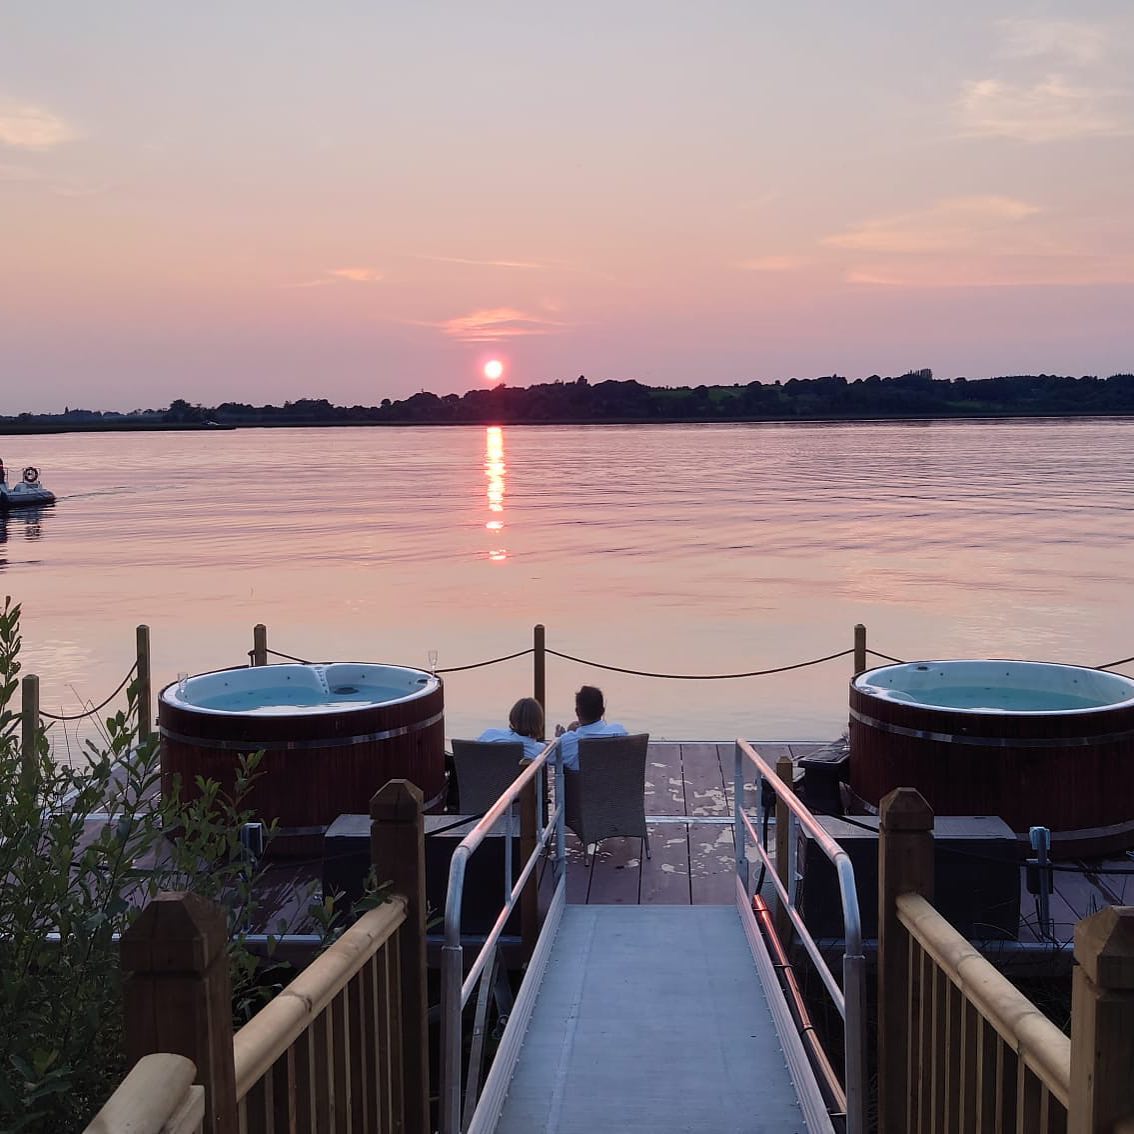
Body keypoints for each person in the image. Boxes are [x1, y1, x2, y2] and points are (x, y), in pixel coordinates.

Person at [554, 685, 628, 772]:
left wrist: (559, 739)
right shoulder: (620, 731)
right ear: (603, 711)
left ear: (577, 712)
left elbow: (548, 758)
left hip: (582, 785)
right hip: (617, 785)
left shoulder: (570, 740)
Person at [477, 696, 546, 761]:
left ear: (513, 716)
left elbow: (475, 751)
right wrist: (556, 739)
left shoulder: (490, 735)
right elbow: (555, 760)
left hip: (484, 772)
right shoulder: (540, 751)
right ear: (539, 722)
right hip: (516, 773)